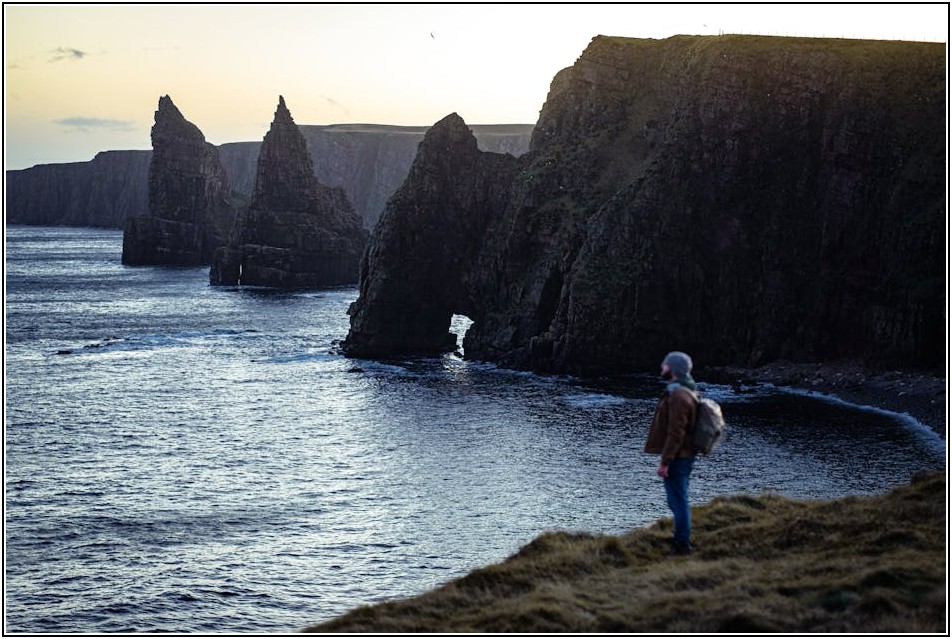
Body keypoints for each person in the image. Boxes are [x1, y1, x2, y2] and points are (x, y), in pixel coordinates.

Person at [644, 351, 698, 555]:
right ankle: (680, 538)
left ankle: (682, 544)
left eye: (665, 365)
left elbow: (676, 432)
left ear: (673, 369)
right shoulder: (682, 390)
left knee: (678, 499)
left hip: (679, 456)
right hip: (682, 455)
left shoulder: (678, 396)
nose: (661, 368)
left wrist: (665, 462)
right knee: (676, 499)